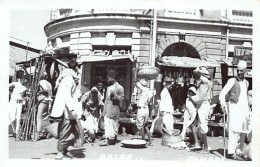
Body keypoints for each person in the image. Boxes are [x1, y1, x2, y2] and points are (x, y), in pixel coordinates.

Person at [49, 59, 83, 160]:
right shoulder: (69, 79)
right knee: (65, 130)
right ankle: (60, 151)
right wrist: (72, 109)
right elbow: (66, 95)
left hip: (68, 108)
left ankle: (65, 149)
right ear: (76, 68)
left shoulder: (68, 77)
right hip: (66, 110)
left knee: (70, 131)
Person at [219, 60, 250, 161]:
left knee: (243, 132)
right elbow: (222, 93)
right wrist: (223, 104)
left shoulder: (246, 83)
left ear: (245, 71)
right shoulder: (232, 81)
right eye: (238, 70)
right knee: (234, 131)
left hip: (244, 110)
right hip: (234, 109)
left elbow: (244, 97)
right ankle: (232, 152)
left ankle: (239, 151)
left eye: (241, 71)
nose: (239, 72)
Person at [188, 66, 212, 154]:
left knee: (203, 126)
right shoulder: (204, 83)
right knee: (201, 125)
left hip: (203, 105)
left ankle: (205, 148)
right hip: (202, 105)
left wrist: (191, 98)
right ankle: (203, 146)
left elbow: (199, 99)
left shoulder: (205, 82)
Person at [100, 70, 124, 146]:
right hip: (107, 108)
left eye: (108, 78)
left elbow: (121, 98)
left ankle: (114, 138)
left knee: (114, 125)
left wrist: (115, 95)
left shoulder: (119, 87)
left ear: (113, 78)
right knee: (106, 125)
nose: (107, 80)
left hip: (114, 109)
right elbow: (106, 100)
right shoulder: (108, 87)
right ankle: (106, 141)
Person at [134, 78, 155, 146]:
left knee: (141, 126)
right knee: (145, 126)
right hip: (146, 109)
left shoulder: (145, 90)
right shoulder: (150, 91)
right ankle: (150, 141)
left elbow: (137, 83)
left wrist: (136, 77)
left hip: (142, 109)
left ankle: (143, 140)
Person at [35, 73, 53, 141]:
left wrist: (38, 92)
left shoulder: (41, 82)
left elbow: (45, 90)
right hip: (48, 101)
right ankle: (48, 133)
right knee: (45, 117)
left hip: (43, 100)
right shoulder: (49, 83)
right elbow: (50, 93)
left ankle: (37, 135)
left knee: (38, 117)